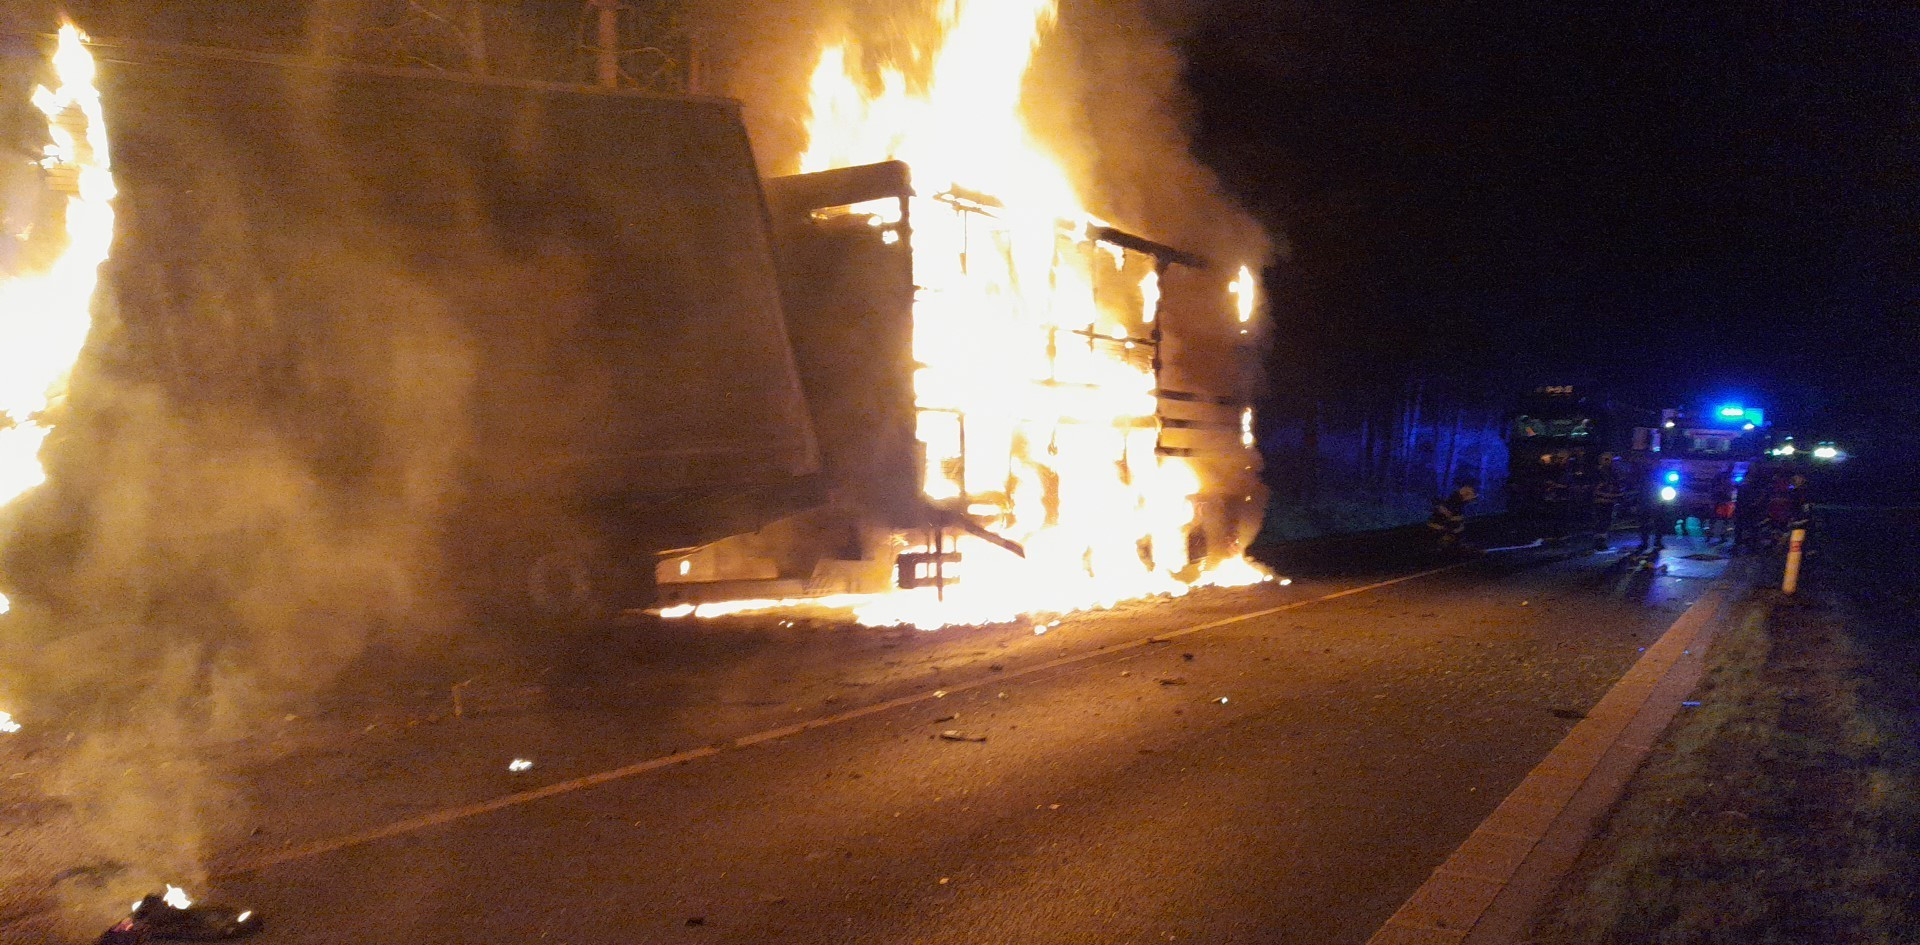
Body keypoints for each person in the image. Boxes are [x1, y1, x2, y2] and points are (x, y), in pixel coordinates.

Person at [1427, 484, 1477, 554]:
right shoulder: (1450, 505)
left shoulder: (1458, 506)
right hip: (1444, 531)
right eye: (1469, 493)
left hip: (1451, 532)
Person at [1707, 469, 1735, 544]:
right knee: (1717, 520)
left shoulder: (1722, 485)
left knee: (1722, 520)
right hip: (1720, 505)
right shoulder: (1720, 486)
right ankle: (1712, 536)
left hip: (1723, 505)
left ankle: (1720, 536)